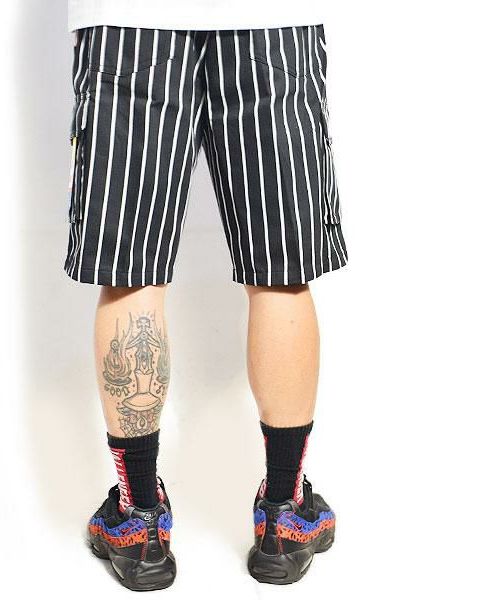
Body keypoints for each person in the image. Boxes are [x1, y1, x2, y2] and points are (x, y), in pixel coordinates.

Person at [65, 0, 347, 590]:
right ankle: (285, 514)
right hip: (270, 24)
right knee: (281, 270)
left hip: (130, 24)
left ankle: (139, 521)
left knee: (131, 270)